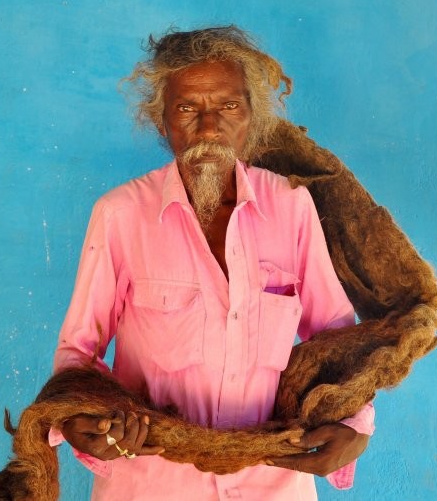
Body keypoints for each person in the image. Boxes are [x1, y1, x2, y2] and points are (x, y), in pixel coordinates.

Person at [50, 26, 374, 500]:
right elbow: (78, 352)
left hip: (272, 481)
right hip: (151, 484)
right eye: (187, 108)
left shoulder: (291, 206)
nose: (208, 128)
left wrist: (356, 425)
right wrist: (81, 418)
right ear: (161, 120)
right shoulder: (120, 214)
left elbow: (338, 339)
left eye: (228, 106)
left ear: (252, 117)